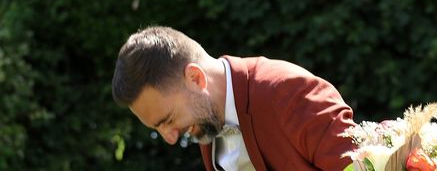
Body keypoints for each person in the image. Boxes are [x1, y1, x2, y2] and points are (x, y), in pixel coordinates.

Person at [112, 26, 355, 171]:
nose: (170, 138)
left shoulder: (287, 92)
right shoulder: (206, 119)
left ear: (195, 78)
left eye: (168, 120)